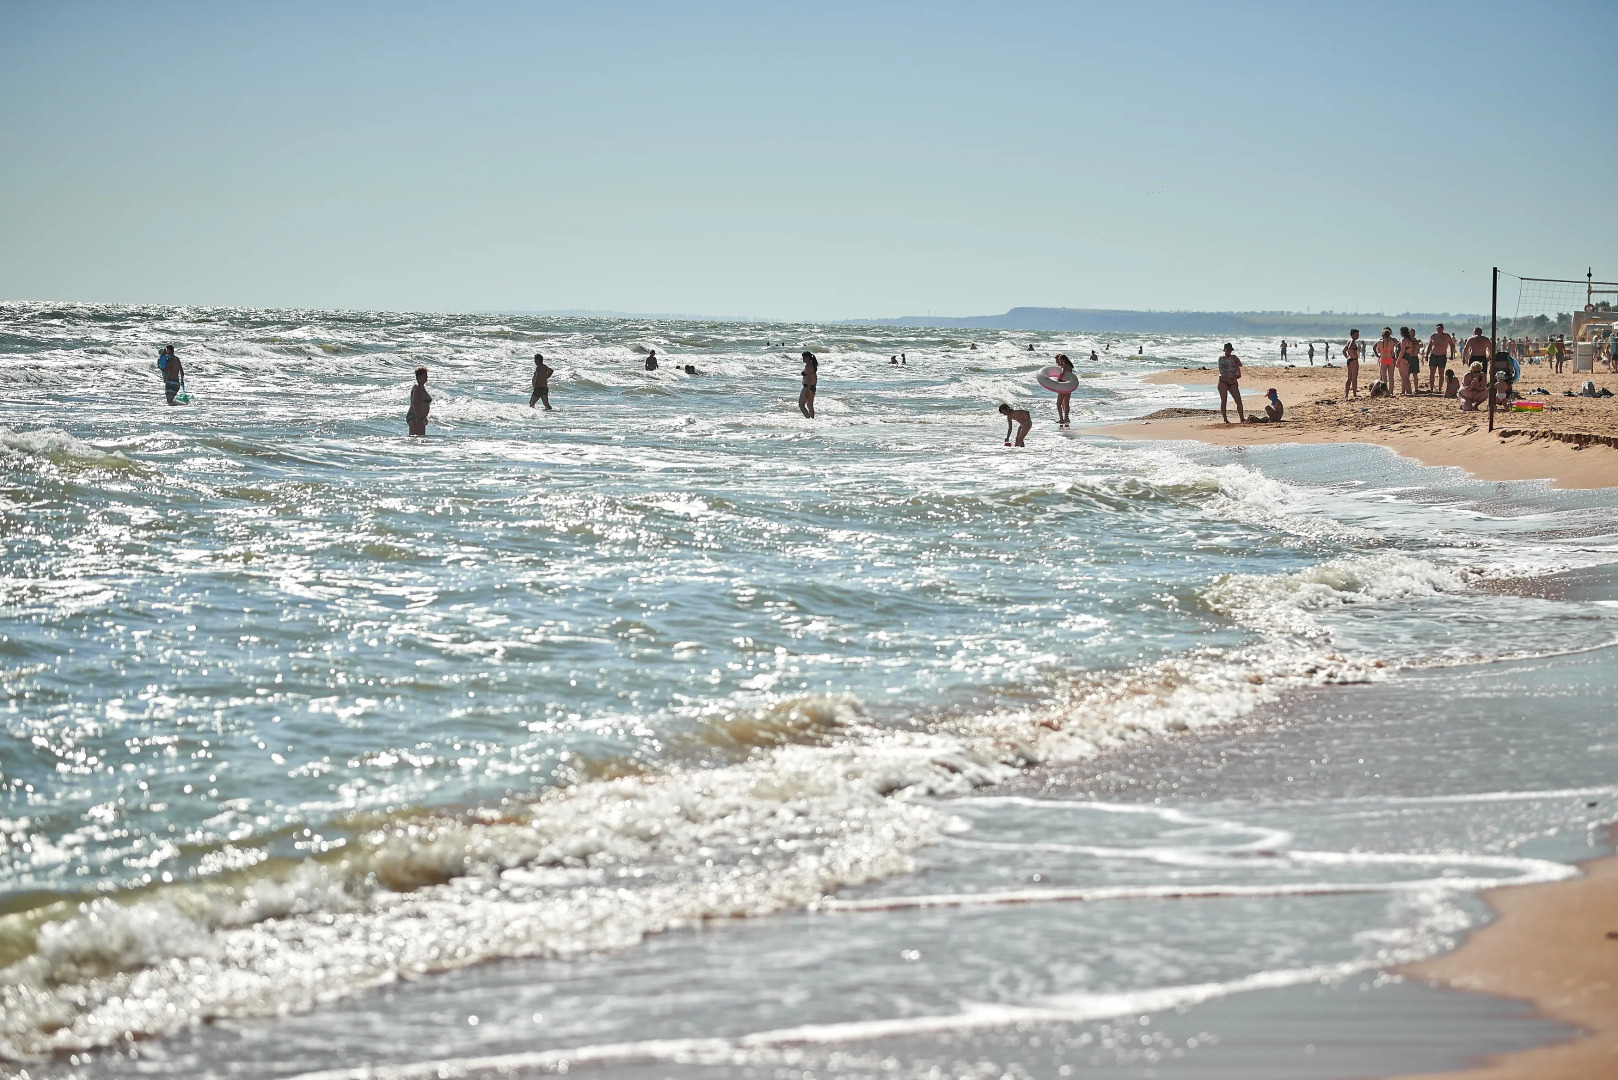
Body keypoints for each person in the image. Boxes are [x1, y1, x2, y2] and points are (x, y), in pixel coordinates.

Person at [1216, 342, 1245, 423]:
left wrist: (1234, 377)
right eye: (1227, 350)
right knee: (1224, 400)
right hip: (1223, 381)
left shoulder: (1235, 358)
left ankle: (1242, 418)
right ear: (1225, 350)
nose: (1229, 351)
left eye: (1230, 350)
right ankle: (1225, 419)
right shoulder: (1221, 359)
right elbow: (1222, 371)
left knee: (1238, 401)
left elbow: (1239, 367)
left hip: (1232, 381)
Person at [1426, 324, 1455, 393]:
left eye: (1440, 329)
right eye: (1437, 329)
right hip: (1433, 355)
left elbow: (1451, 345)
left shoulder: (1446, 336)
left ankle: (1439, 389)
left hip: (1442, 356)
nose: (1439, 330)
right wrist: (1427, 355)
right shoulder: (1433, 336)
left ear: (1442, 329)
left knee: (1441, 373)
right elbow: (1430, 346)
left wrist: (1452, 355)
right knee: (1432, 373)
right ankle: (1431, 388)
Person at [1052, 354, 1075, 427]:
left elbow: (1062, 373)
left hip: (1063, 386)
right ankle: (1066, 418)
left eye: (1060, 360)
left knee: (1058, 403)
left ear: (1063, 360)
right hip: (1069, 386)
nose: (1059, 361)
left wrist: (1058, 379)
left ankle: (1061, 419)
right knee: (1066, 403)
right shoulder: (1070, 366)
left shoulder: (1064, 365)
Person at [407, 366, 431, 435]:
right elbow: (415, 403)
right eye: (425, 376)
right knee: (417, 437)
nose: (427, 377)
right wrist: (418, 419)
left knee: (420, 437)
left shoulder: (421, 387)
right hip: (415, 416)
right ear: (419, 377)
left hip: (419, 417)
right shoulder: (417, 388)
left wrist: (424, 417)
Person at [1399, 327, 1421, 395]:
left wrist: (1414, 346)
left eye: (1413, 333)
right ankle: (1408, 389)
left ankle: (1416, 389)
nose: (1412, 334)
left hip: (1414, 358)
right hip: (1409, 357)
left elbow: (1421, 345)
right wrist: (1414, 347)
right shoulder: (1408, 341)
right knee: (1407, 375)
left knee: (1415, 374)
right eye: (1411, 333)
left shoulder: (1416, 340)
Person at [1342, 329, 1361, 399]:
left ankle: (1346, 394)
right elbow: (1349, 348)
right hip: (1353, 361)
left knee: (1349, 378)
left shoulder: (1349, 341)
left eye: (1358, 334)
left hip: (1349, 360)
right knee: (1354, 378)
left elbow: (1344, 351)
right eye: (1356, 334)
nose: (1358, 336)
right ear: (1352, 335)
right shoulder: (1352, 341)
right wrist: (1353, 355)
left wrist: (1347, 357)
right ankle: (1354, 394)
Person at [798, 351, 817, 418]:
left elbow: (809, 378)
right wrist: (814, 386)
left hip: (807, 387)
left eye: (804, 357)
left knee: (801, 405)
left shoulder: (808, 366)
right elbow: (815, 377)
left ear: (808, 358)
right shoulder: (812, 365)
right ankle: (812, 420)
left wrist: (807, 390)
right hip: (812, 387)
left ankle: (808, 419)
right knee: (810, 405)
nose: (803, 359)